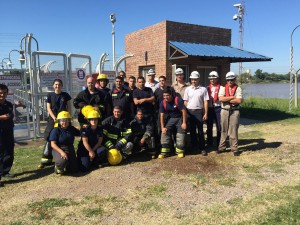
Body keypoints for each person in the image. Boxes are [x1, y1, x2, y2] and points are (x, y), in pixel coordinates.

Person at [39, 79, 72, 168]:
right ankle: (46, 159)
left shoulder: (65, 95)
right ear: (53, 86)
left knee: (63, 137)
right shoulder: (50, 95)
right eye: (56, 84)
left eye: (59, 84)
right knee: (49, 137)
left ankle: (65, 156)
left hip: (64, 120)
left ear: (62, 86)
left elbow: (69, 107)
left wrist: (68, 118)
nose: (57, 86)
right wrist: (54, 118)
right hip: (53, 120)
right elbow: (48, 108)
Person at [183, 71, 209, 156]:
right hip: (190, 112)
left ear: (198, 79)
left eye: (195, 80)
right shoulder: (188, 89)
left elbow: (205, 102)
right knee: (192, 131)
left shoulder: (203, 89)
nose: (193, 81)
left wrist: (205, 113)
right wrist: (186, 112)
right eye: (192, 80)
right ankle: (194, 147)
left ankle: (202, 148)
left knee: (200, 131)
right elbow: (185, 101)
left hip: (199, 112)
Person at [217, 71, 243, 156]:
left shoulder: (238, 88)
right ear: (226, 80)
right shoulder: (223, 88)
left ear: (234, 79)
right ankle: (222, 147)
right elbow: (220, 98)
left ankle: (234, 148)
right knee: (223, 129)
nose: (230, 81)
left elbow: (239, 100)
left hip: (235, 111)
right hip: (224, 110)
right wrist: (232, 97)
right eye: (228, 80)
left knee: (233, 130)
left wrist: (226, 99)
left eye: (231, 79)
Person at [158, 88, 187, 158]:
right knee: (165, 132)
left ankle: (179, 151)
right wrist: (162, 127)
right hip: (171, 119)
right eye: (164, 96)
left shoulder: (177, 100)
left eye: (167, 95)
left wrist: (184, 122)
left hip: (179, 118)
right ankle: (165, 152)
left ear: (171, 95)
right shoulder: (163, 102)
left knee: (181, 133)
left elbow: (184, 111)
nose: (166, 97)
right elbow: (161, 115)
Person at [0, 84, 14, 186]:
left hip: (8, 132)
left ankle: (5, 171)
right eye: (0, 93)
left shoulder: (9, 104)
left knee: (9, 152)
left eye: (4, 92)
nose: (2, 95)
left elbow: (10, 115)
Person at [206, 71, 222, 148]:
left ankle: (219, 142)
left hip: (218, 108)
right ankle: (209, 142)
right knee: (209, 126)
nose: (212, 80)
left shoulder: (222, 88)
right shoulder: (207, 88)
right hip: (209, 109)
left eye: (214, 78)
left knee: (219, 127)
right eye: (211, 79)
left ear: (217, 78)